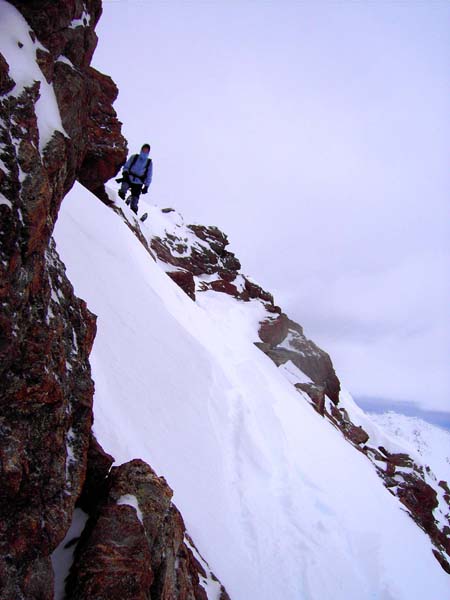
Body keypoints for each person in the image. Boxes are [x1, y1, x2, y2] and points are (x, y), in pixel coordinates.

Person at [117, 143, 153, 214]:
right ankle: (118, 204)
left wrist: (146, 186)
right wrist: (125, 173)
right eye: (143, 150)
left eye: (146, 151)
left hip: (138, 182)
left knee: (135, 200)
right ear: (141, 150)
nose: (144, 152)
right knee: (122, 191)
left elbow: (149, 175)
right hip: (129, 178)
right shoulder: (134, 157)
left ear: (148, 152)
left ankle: (133, 214)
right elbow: (126, 166)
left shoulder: (149, 163)